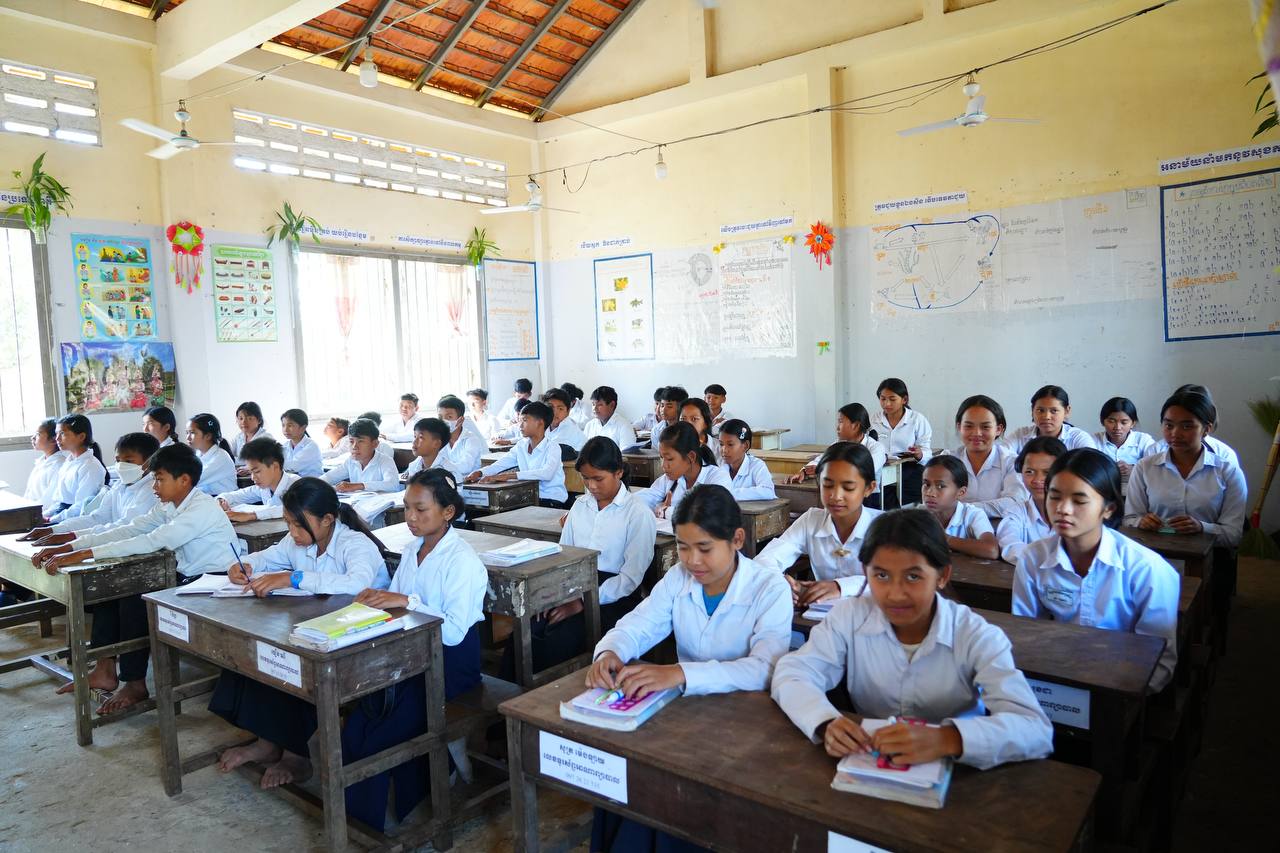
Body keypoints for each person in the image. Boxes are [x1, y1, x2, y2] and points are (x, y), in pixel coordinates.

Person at [587, 484, 792, 853]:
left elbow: (765, 668)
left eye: (705, 548)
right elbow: (639, 624)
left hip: (746, 725)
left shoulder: (768, 587)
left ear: (737, 540)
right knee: (624, 779)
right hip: (687, 715)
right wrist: (611, 652)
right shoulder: (679, 578)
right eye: (683, 547)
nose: (693, 560)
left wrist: (681, 674)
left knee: (667, 793)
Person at [772, 509, 1053, 769]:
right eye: (881, 575)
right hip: (871, 762)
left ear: (942, 576)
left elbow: (1034, 728)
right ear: (865, 572)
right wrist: (824, 720)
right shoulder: (849, 617)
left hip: (959, 772)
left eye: (913, 577)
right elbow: (793, 672)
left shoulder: (974, 634)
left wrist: (949, 739)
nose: (895, 593)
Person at [31, 444, 240, 711]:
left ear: (184, 480)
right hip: (186, 576)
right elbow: (129, 529)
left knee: (135, 600)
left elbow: (151, 540)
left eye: (160, 479)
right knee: (111, 589)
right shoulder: (170, 505)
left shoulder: (200, 508)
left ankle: (135, 682)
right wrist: (72, 545)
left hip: (214, 581)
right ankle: (104, 668)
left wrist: (85, 553)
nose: (154, 486)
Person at [212, 477, 391, 789]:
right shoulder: (298, 540)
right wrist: (242, 565)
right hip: (317, 627)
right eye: (288, 523)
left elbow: (356, 584)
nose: (292, 532)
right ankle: (267, 742)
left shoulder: (354, 544)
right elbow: (266, 556)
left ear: (327, 519)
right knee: (258, 647)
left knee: (293, 661)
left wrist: (293, 578)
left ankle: (296, 756)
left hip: (362, 640)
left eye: (298, 525)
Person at [344, 469, 487, 831]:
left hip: (450, 664)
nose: (410, 517)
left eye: (420, 510)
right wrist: (376, 602)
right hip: (410, 657)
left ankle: (368, 824)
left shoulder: (463, 561)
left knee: (382, 735)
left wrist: (407, 601)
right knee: (358, 724)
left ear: (448, 512)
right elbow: (396, 603)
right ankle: (351, 814)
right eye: (407, 507)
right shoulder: (412, 549)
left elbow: (453, 632)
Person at [1015, 449, 1179, 692]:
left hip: (1123, 687)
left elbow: (1159, 663)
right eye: (1054, 496)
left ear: (1109, 508)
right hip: (1056, 682)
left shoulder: (1147, 569)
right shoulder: (1033, 558)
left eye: (1079, 501)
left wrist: (1111, 695)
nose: (1063, 509)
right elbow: (1025, 635)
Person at [20, 432, 160, 711]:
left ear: (148, 463)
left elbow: (123, 529)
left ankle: (134, 681)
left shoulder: (151, 490)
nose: (121, 465)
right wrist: (55, 530)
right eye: (118, 459)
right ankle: (104, 668)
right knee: (104, 599)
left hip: (149, 565)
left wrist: (71, 542)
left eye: (129, 460)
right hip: (120, 558)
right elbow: (97, 518)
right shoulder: (122, 485)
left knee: (130, 605)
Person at [504, 438, 658, 678]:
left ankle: (549, 695)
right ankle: (513, 695)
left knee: (559, 639)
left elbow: (629, 580)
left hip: (614, 598)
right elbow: (564, 555)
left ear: (618, 472)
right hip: (573, 586)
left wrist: (583, 601)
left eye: (598, 479)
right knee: (523, 633)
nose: (591, 486)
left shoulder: (638, 514)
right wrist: (553, 597)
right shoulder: (579, 506)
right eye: (586, 478)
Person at [1125, 391, 1247, 642]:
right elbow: (1129, 520)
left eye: (1187, 426)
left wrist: (1202, 527)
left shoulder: (1227, 471)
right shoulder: (1145, 467)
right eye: (1168, 425)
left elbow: (1233, 534)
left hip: (1209, 560)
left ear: (1207, 429)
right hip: (1154, 557)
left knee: (1200, 622)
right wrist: (1141, 521)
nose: (1175, 433)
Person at [755, 442, 881, 604]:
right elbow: (766, 560)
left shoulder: (884, 527)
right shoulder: (812, 521)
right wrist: (780, 583)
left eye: (848, 487)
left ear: (869, 488)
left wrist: (839, 587)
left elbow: (892, 579)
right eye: (827, 485)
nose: (836, 496)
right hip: (820, 614)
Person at [466, 400, 569, 508]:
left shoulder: (552, 447)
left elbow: (547, 473)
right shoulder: (521, 445)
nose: (520, 425)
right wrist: (480, 472)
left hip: (551, 499)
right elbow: (501, 464)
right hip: (529, 497)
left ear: (540, 422)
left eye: (525, 420)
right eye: (520, 420)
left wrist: (508, 476)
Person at [947, 395, 1026, 519]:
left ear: (998, 429)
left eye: (985, 427)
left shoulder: (1012, 462)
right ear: (959, 427)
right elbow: (935, 499)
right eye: (969, 426)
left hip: (999, 529)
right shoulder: (947, 460)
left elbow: (1015, 502)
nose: (976, 433)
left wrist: (963, 509)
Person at [636, 422, 732, 520]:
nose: (663, 465)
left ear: (691, 457)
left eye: (669, 459)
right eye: (662, 457)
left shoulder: (718, 478)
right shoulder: (668, 479)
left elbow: (710, 514)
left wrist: (667, 511)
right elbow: (642, 499)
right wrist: (656, 507)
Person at [996, 437, 1067, 564]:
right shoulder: (1016, 513)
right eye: (1029, 472)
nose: (1037, 480)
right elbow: (1010, 547)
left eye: (1047, 472)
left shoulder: (1076, 513)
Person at [920, 456, 999, 560]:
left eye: (940, 486)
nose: (929, 493)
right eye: (926, 484)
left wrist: (945, 539)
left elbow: (991, 550)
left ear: (960, 492)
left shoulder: (972, 515)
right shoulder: (917, 515)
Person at [869, 378, 931, 508]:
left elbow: (926, 450)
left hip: (909, 466)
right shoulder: (874, 419)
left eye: (892, 399)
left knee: (910, 488)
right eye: (883, 399)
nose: (887, 403)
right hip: (881, 466)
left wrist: (919, 454)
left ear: (904, 400)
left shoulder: (917, 420)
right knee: (874, 491)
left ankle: (906, 514)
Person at [790, 403, 885, 483]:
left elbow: (863, 472)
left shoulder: (876, 448)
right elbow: (820, 460)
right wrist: (804, 471)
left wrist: (825, 470)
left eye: (840, 422)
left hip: (868, 495)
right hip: (842, 492)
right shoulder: (838, 444)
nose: (837, 427)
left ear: (855, 425)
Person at [44, 414, 108, 524]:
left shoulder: (90, 466)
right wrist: (45, 515)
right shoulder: (69, 461)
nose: (57, 438)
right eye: (56, 434)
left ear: (81, 437)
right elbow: (59, 500)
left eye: (62, 433)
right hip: (61, 514)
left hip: (73, 519)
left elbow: (81, 506)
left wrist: (53, 519)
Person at [217, 437, 300, 521]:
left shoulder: (296, 484)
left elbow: (291, 510)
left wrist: (252, 515)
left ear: (275, 466)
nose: (253, 477)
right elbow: (238, 495)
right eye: (250, 472)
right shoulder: (264, 488)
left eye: (257, 471)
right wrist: (222, 500)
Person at [1004, 385, 1094, 453]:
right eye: (1040, 410)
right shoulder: (1019, 435)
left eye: (1054, 411)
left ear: (1067, 411)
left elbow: (1092, 467)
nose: (1046, 417)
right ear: (1032, 410)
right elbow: (1003, 460)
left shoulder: (1078, 438)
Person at [321, 418, 400, 493]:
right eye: (351, 441)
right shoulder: (351, 461)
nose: (354, 446)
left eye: (360, 441)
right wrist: (315, 484)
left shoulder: (385, 461)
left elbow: (392, 485)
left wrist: (359, 486)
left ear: (375, 444)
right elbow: (329, 477)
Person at [1092, 397, 1155, 480]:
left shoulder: (1143, 440)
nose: (1117, 427)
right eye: (1111, 421)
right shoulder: (1092, 441)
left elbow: (1156, 468)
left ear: (1133, 423)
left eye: (1124, 422)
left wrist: (1134, 469)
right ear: (1102, 421)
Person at [718, 419, 776, 501]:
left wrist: (729, 494)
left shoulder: (757, 465)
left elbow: (768, 491)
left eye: (730, 444)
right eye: (721, 444)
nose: (724, 450)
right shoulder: (718, 466)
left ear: (745, 445)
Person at [186, 413, 238, 496]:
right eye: (187, 432)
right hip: (208, 498)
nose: (188, 438)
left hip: (225, 500)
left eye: (192, 433)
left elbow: (192, 480)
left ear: (208, 436)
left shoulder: (220, 457)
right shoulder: (197, 455)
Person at [437, 395, 486, 476]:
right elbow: (423, 460)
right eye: (440, 417)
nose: (443, 421)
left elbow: (465, 467)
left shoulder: (471, 440)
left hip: (467, 483)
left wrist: (437, 467)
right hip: (445, 482)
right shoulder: (437, 439)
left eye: (449, 417)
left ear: (460, 420)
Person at [23, 418, 64, 507]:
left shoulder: (59, 466)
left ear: (53, 440)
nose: (33, 437)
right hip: (29, 509)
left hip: (41, 512)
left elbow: (49, 501)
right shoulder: (41, 462)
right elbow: (29, 492)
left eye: (38, 434)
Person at [582, 385, 638, 450]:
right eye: (593, 404)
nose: (594, 408)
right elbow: (583, 451)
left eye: (599, 405)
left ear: (612, 405)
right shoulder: (589, 425)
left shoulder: (624, 426)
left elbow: (627, 455)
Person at [277, 408, 323, 477]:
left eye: (290, 425)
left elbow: (293, 466)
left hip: (312, 482)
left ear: (303, 427)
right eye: (283, 425)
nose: (285, 429)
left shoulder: (311, 446)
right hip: (295, 481)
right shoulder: (285, 446)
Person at [543, 387, 587, 457]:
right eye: (550, 407)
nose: (554, 412)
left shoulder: (574, 433)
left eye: (560, 409)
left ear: (568, 411)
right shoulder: (541, 426)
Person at [679, 396, 722, 465]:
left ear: (706, 423)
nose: (687, 423)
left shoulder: (720, 448)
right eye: (683, 419)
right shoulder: (673, 447)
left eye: (694, 419)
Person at [650, 385, 685, 450]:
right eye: (662, 405)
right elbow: (656, 454)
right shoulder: (656, 430)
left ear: (680, 408)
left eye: (669, 407)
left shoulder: (688, 428)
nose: (663, 410)